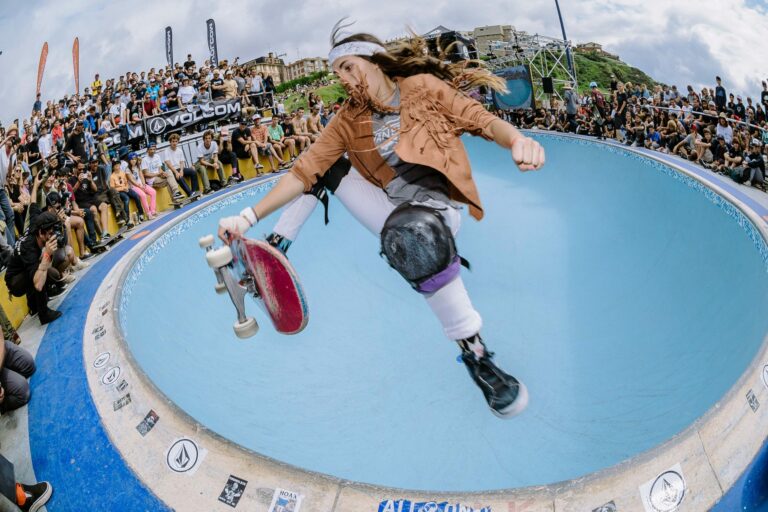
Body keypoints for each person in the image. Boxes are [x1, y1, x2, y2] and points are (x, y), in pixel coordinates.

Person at [217, 26, 545, 418]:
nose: (343, 78)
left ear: (374, 61)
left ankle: (476, 354)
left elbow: (480, 119)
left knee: (415, 234)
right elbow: (303, 170)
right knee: (324, 165)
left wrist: (517, 140)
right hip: (386, 206)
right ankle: (276, 246)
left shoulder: (421, 88)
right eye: (337, 73)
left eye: (348, 67)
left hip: (435, 213)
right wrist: (248, 216)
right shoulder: (347, 119)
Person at [4, 211, 64, 324]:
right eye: (51, 233)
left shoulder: (36, 225)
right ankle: (44, 314)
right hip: (15, 283)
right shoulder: (29, 248)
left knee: (49, 269)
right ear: (41, 233)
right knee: (42, 270)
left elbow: (33, 207)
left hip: (25, 269)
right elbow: (38, 285)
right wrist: (47, 254)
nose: (53, 236)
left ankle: (33, 305)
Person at [163, 133, 199, 197]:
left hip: (180, 168)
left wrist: (181, 170)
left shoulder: (179, 150)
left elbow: (182, 162)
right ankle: (190, 193)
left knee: (193, 172)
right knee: (179, 177)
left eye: (176, 141)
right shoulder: (166, 151)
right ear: (170, 142)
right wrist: (176, 172)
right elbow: (168, 164)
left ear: (178, 142)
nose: (174, 143)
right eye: (173, 141)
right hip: (172, 171)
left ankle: (194, 191)